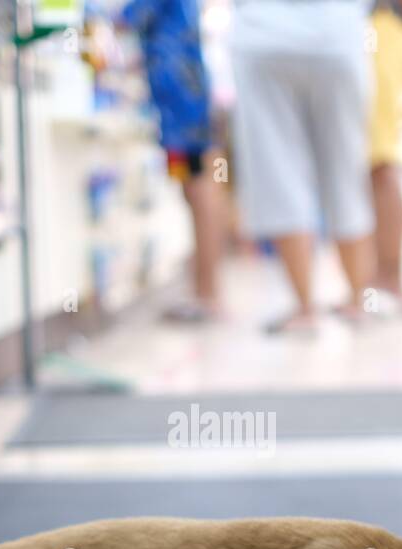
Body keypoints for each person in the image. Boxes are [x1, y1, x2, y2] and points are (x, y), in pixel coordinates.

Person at [229, 0, 376, 334]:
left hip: (265, 34)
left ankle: (304, 308)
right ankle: (358, 300)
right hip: (339, 34)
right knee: (347, 169)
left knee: (277, 172)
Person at [118, 0, 223, 321]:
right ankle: (206, 291)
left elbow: (127, 19)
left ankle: (208, 295)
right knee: (194, 191)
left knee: (197, 192)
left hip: (180, 103)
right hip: (184, 97)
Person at [367, 0, 402, 316]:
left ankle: (391, 280)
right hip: (376, 33)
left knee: (380, 163)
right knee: (372, 165)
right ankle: (376, 279)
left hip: (384, 32)